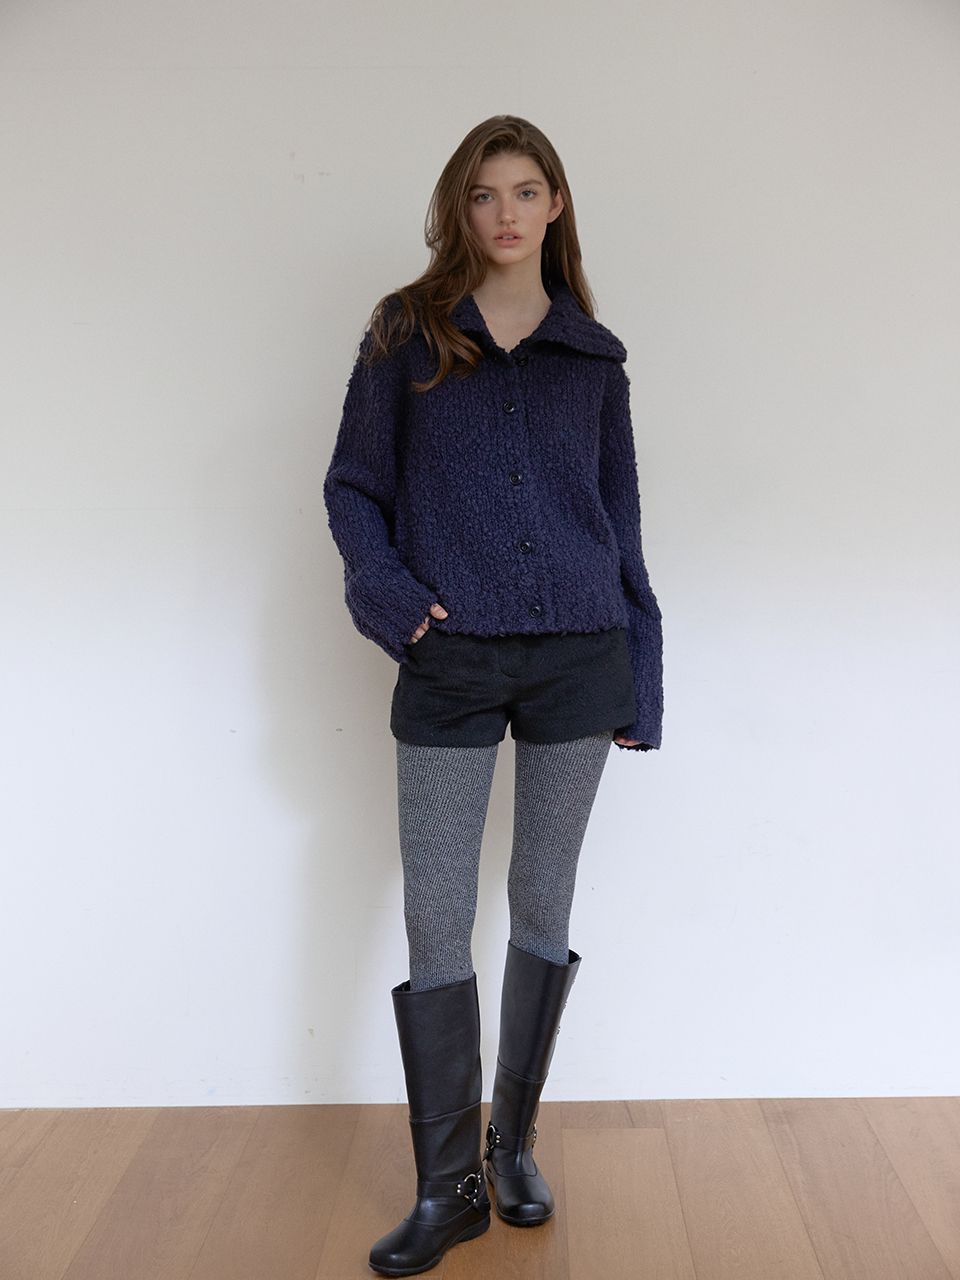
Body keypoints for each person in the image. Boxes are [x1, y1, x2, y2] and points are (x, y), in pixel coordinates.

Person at [323, 114, 664, 1277]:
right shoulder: (406, 333)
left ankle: (511, 1146)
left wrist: (642, 672)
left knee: (540, 899)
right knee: (435, 910)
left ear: (556, 204)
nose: (505, 213)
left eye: (525, 191)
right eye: (483, 193)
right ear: (456, 209)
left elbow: (619, 521)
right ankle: (446, 1187)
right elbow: (354, 486)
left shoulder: (593, 357)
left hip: (580, 652)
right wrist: (392, 598)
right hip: (452, 657)